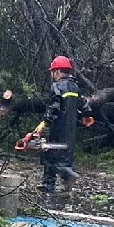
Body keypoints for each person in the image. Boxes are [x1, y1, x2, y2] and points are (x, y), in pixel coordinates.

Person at [23, 55, 92, 195]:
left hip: (57, 127)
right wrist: (87, 116)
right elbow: (84, 104)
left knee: (50, 156)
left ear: (57, 71)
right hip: (71, 129)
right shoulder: (75, 86)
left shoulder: (57, 86)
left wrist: (44, 123)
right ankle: (58, 186)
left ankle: (61, 179)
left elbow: (54, 107)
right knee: (65, 157)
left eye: (53, 72)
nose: (52, 75)